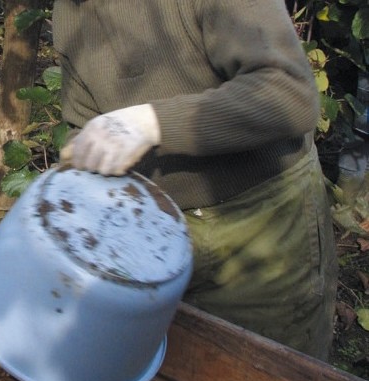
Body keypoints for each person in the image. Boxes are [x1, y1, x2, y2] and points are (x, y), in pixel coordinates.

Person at [54, 0, 337, 361]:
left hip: (261, 224)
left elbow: (288, 94)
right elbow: (86, 121)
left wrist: (152, 123)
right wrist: (81, 155)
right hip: (155, 231)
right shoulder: (70, 11)